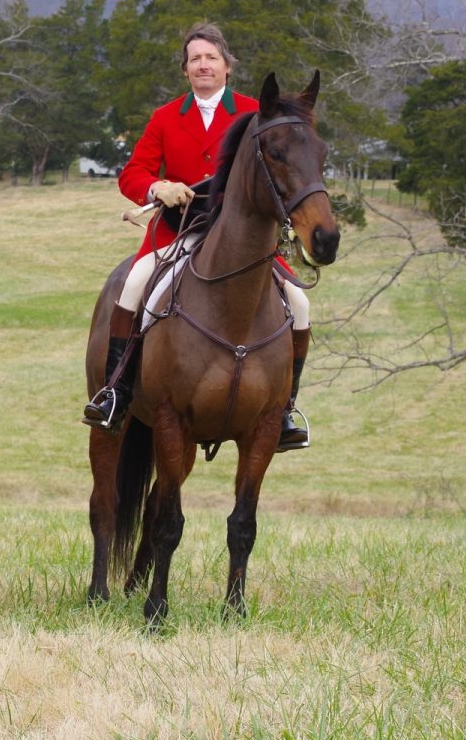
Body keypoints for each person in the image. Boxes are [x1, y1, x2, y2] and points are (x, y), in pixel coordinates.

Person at [82, 23, 313, 450]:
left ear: (227, 66)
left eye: (211, 58)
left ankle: (285, 408)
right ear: (185, 70)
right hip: (178, 233)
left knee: (299, 302)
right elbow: (134, 172)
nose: (203, 65)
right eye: (194, 59)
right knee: (133, 287)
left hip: (244, 243)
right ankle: (115, 391)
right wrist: (158, 187)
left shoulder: (254, 114)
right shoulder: (165, 117)